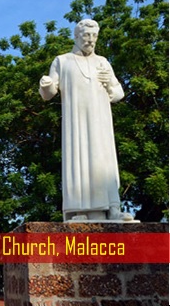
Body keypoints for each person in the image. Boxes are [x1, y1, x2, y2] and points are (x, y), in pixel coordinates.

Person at [39, 19, 133, 221]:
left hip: (101, 121)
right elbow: (48, 93)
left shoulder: (103, 62)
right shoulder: (62, 61)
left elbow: (119, 93)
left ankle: (113, 209)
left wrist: (109, 84)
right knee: (79, 160)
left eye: (94, 36)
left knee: (104, 161)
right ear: (76, 36)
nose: (90, 40)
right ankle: (78, 211)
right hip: (77, 123)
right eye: (86, 36)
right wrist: (46, 85)